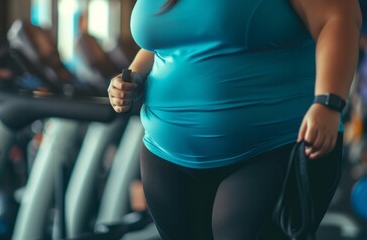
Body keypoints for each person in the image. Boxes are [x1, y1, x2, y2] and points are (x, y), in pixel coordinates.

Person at [108, 0, 362, 239]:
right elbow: (163, 41)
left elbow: (338, 18)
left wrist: (328, 102)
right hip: (165, 154)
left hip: (274, 146)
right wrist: (134, 77)